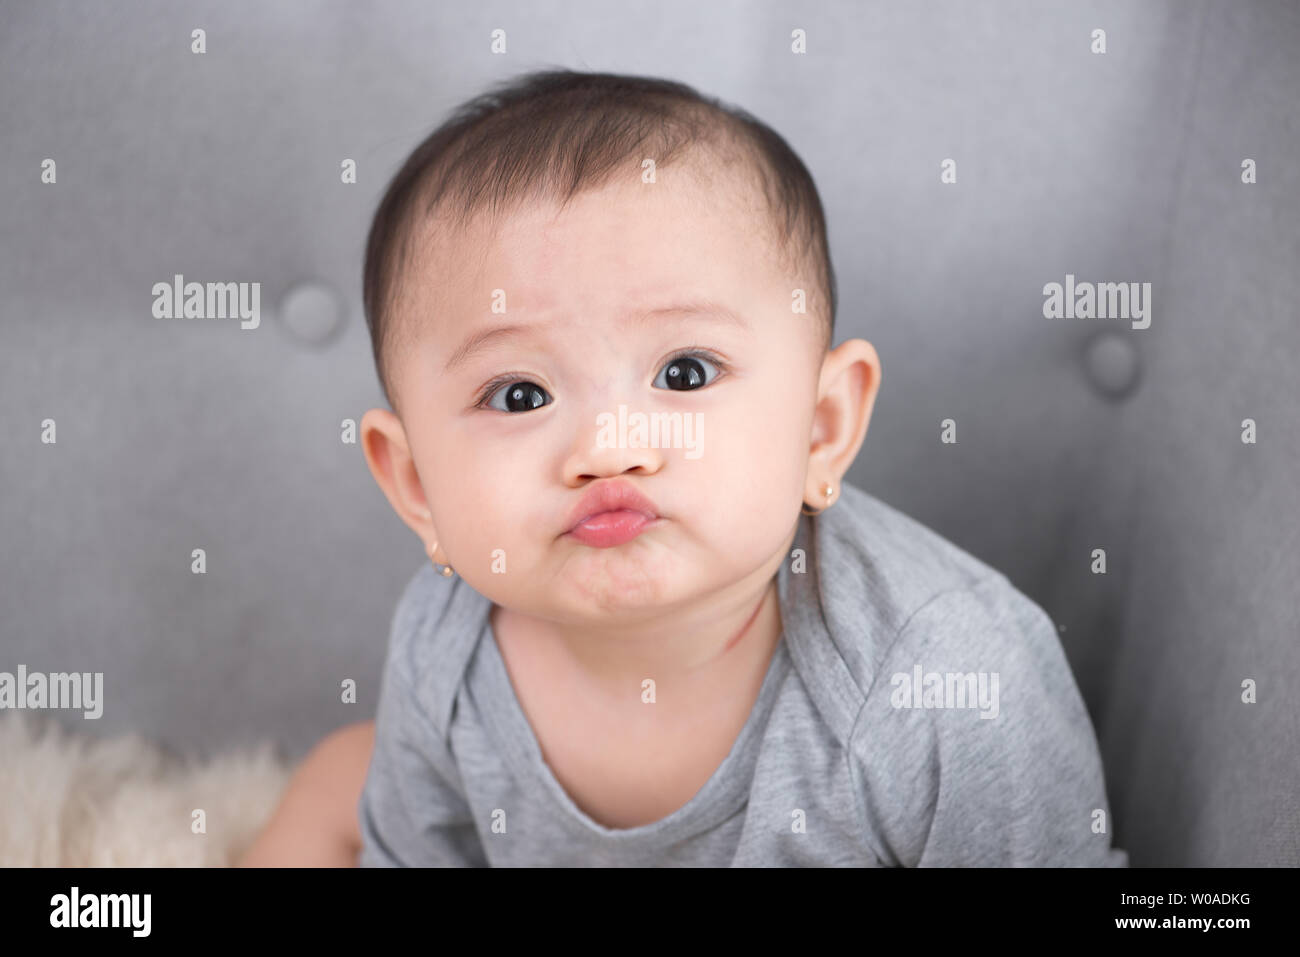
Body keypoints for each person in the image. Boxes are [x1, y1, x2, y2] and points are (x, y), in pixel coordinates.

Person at [247, 68, 1128, 866]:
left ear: (822, 429)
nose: (609, 446)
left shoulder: (947, 685)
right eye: (519, 395)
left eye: (684, 373)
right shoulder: (445, 649)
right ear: (415, 486)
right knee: (338, 784)